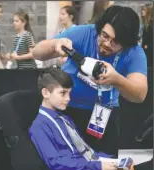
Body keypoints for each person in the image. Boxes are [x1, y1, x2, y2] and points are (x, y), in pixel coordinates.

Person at [32, 5, 148, 157]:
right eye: (104, 36)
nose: (107, 44)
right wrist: (54, 45)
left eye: (115, 42)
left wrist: (117, 80)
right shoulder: (84, 33)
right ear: (99, 28)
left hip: (103, 115)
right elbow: (37, 53)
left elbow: (140, 94)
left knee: (104, 163)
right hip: (66, 108)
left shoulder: (133, 52)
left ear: (126, 43)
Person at [29, 68, 135, 170]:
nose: (68, 99)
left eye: (69, 93)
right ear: (45, 93)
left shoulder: (65, 119)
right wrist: (97, 166)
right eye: (63, 93)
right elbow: (55, 163)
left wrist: (111, 160)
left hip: (88, 166)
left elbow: (86, 151)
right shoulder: (39, 126)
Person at [141, 4, 153, 68]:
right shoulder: (146, 23)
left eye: (144, 10)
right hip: (145, 49)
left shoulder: (151, 24)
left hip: (149, 51)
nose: (142, 11)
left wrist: (147, 46)